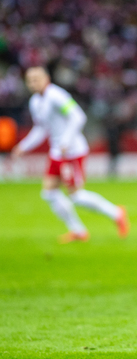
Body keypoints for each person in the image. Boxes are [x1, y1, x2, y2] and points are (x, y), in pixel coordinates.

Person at [11, 67, 129, 243]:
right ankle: (78, 231)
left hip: (72, 151)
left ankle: (117, 213)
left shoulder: (56, 96)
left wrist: (66, 141)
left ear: (47, 78)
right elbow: (41, 128)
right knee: (49, 193)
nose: (33, 83)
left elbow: (78, 116)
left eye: (36, 79)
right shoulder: (36, 102)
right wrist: (24, 146)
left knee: (76, 196)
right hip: (57, 152)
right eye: (30, 80)